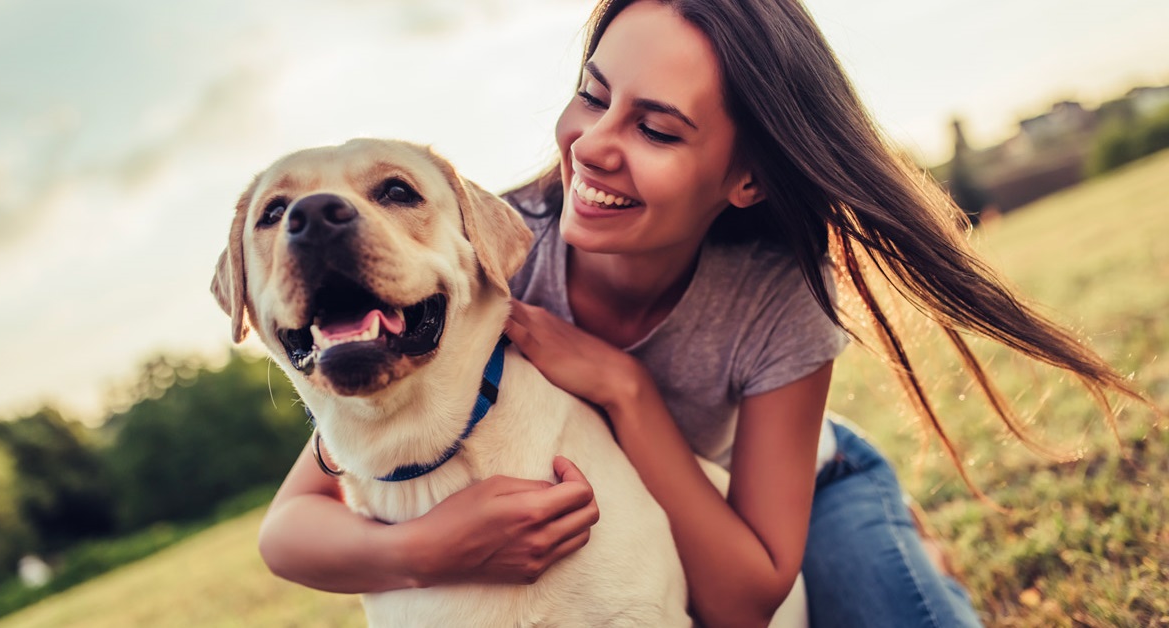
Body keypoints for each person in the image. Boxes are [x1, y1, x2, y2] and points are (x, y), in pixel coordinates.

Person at [258, 1, 1146, 626]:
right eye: (594, 95)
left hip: (797, 498)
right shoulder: (484, 259)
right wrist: (429, 550)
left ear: (747, 177)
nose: (594, 146)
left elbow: (740, 600)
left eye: (659, 129)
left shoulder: (776, 299)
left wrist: (625, 390)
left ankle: (904, 543)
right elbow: (293, 524)